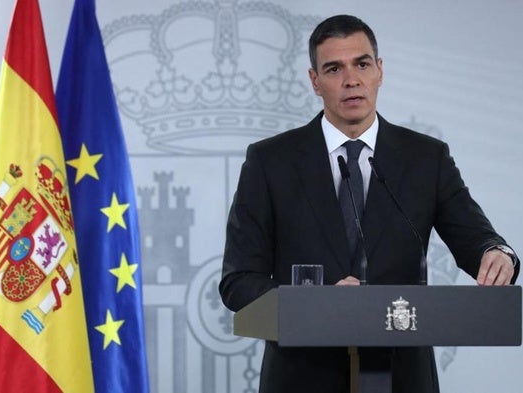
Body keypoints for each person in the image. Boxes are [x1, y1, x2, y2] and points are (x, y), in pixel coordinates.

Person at [219, 14, 519, 393]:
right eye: (333, 68)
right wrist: (314, 304)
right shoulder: (270, 161)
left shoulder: (426, 158)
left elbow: (476, 238)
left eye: (361, 64)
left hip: (404, 377)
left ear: (379, 70)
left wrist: (496, 253)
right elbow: (238, 281)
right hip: (302, 378)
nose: (351, 80)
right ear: (314, 81)